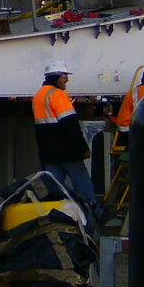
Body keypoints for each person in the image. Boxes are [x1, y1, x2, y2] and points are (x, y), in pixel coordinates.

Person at [33, 59, 96, 210]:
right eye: (64, 75)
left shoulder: (39, 96)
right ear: (55, 76)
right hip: (67, 152)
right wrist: (82, 148)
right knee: (82, 183)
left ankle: (53, 215)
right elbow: (70, 126)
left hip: (49, 153)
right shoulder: (58, 95)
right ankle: (92, 211)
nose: (67, 79)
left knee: (53, 190)